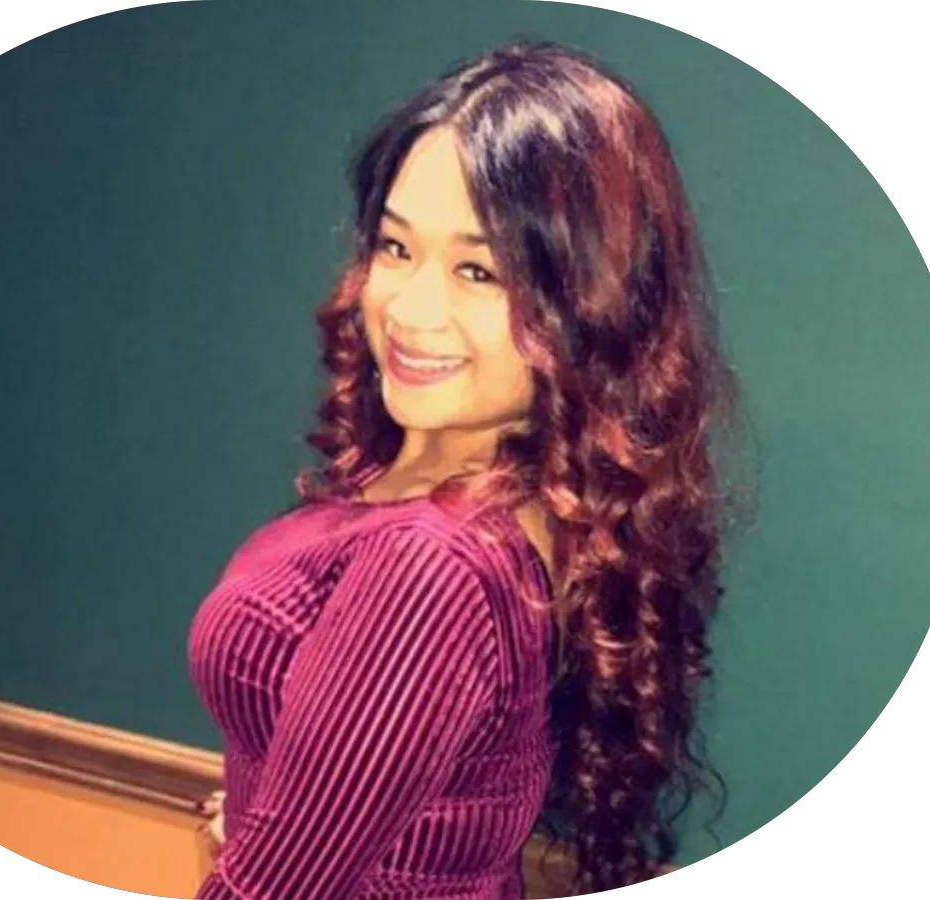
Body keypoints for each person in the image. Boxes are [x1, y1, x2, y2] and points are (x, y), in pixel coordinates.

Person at [187, 37, 747, 899]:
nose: (410, 309)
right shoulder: (510, 485)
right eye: (396, 247)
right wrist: (271, 813)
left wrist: (259, 853)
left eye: (478, 270)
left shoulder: (434, 565)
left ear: (582, 305)